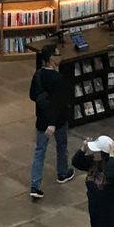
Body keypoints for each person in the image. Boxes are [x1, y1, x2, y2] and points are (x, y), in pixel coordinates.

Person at [29, 40, 74, 199]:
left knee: (39, 152)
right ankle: (62, 173)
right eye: (56, 54)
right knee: (62, 146)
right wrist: (53, 123)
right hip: (58, 122)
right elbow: (60, 103)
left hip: (42, 120)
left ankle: (35, 184)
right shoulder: (58, 78)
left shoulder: (38, 75)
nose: (59, 56)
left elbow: (32, 95)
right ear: (50, 59)